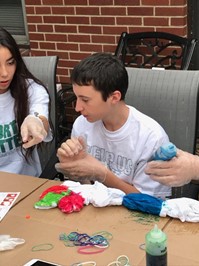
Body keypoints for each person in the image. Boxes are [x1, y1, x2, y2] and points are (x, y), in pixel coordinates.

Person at [56, 52, 171, 198]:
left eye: (85, 100)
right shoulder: (82, 124)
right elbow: (85, 187)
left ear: (114, 97)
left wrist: (103, 175)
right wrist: (72, 165)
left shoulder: (151, 138)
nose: (77, 107)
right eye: (76, 97)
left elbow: (150, 203)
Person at [0, 27, 52, 176]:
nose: (4, 73)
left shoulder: (31, 89)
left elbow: (41, 115)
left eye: (10, 63)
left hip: (26, 183)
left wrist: (36, 121)